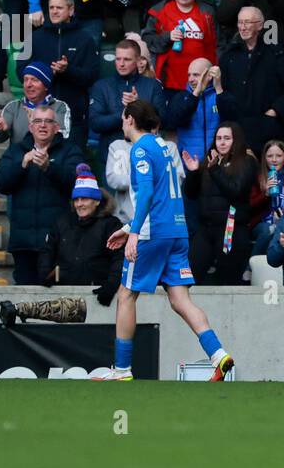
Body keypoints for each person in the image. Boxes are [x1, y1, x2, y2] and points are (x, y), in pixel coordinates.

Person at [103, 99, 236, 381]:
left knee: (126, 295)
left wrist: (135, 232)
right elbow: (163, 195)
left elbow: (149, 193)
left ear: (129, 119)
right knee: (179, 299)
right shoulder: (164, 146)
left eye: (123, 118)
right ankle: (218, 354)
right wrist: (128, 228)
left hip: (153, 232)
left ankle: (122, 369)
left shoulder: (139, 149)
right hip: (176, 230)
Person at [0, 104, 86, 284]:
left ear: (57, 127)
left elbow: (79, 183)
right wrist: (21, 165)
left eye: (48, 121)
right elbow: (0, 184)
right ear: (30, 126)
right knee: (25, 299)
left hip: (58, 242)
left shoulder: (70, 150)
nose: (42, 125)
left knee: (56, 301)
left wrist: (49, 168)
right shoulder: (16, 151)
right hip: (24, 242)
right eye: (37, 121)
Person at [182, 120, 259, 285]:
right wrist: (194, 173)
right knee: (191, 272)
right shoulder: (209, 161)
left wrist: (215, 169)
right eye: (218, 138)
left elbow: (236, 191)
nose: (222, 142)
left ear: (235, 140)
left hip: (231, 229)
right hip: (206, 228)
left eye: (227, 138)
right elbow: (190, 194)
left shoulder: (246, 161)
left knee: (228, 277)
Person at [20, 0, 100, 145]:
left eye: (59, 8)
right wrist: (46, 73)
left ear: (71, 10)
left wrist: (68, 70)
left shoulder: (85, 39)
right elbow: (20, 70)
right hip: (39, 118)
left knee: (71, 165)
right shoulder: (35, 37)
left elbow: (92, 75)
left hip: (74, 117)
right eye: (51, 8)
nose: (54, 11)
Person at [38, 164, 123, 307]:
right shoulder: (62, 223)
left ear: (96, 201)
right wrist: (46, 273)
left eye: (84, 199)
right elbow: (47, 251)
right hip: (63, 297)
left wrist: (111, 286)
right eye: (76, 200)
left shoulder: (111, 225)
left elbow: (119, 258)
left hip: (98, 296)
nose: (79, 204)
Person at [214, 5, 284, 150]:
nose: (242, 27)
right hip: (238, 128)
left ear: (260, 25)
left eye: (247, 22)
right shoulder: (229, 56)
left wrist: (274, 112)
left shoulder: (276, 55)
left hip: (268, 128)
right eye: (240, 22)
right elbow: (224, 91)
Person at [89, 38, 170, 173]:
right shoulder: (101, 86)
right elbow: (95, 123)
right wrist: (124, 114)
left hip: (146, 157)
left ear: (138, 61)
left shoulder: (152, 85)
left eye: (127, 59)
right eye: (118, 59)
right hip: (112, 158)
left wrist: (138, 107)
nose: (121, 64)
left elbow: (163, 120)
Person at [142, 0, 218, 93]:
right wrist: (168, 36)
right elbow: (148, 40)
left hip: (202, 81)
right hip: (169, 82)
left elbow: (217, 45)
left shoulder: (207, 13)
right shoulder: (160, 11)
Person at [106, 131, 186, 225]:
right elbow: (113, 180)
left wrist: (145, 179)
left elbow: (176, 181)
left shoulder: (169, 147)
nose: (123, 127)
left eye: (126, 121)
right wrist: (145, 179)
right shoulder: (117, 146)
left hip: (161, 219)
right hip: (125, 219)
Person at [0, 62, 73, 145]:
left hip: (49, 157)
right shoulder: (13, 107)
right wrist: (2, 130)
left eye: (34, 80)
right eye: (25, 80)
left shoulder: (59, 107)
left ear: (46, 86)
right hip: (19, 157)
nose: (28, 85)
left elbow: (63, 137)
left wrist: (35, 125)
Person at [164, 56, 221, 170]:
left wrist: (219, 87)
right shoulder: (181, 97)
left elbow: (232, 119)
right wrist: (195, 95)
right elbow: (173, 122)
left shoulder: (220, 96)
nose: (191, 79)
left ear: (209, 75)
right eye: (189, 75)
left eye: (196, 75)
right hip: (188, 164)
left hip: (217, 163)